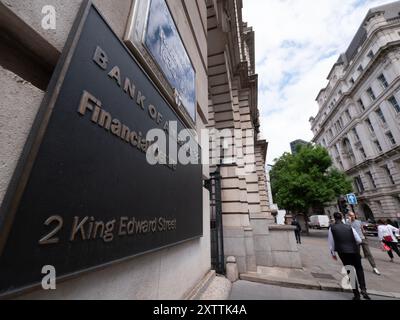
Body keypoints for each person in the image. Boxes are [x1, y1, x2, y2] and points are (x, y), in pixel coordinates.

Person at [328, 212, 371, 300]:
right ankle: (363, 289)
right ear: (342, 217)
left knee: (350, 271)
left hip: (343, 252)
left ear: (334, 218)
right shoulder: (349, 226)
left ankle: (356, 294)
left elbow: (331, 242)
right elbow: (359, 240)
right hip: (354, 251)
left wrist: (333, 254)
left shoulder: (332, 228)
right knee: (359, 269)